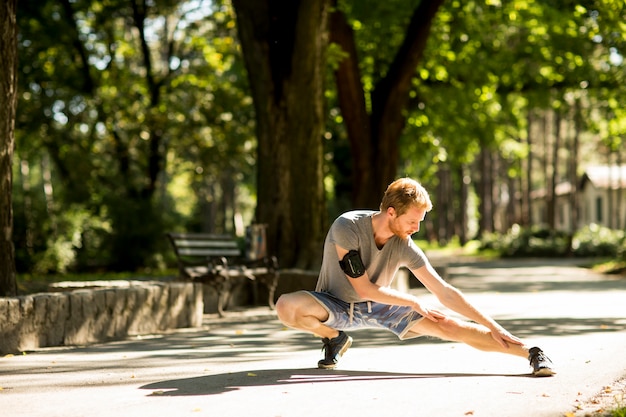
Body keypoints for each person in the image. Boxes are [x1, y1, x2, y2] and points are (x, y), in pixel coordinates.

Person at [275, 177, 555, 377]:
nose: (417, 228)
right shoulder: (347, 227)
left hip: (379, 304)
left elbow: (443, 291)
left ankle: (531, 353)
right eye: (413, 221)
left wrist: (494, 326)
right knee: (286, 307)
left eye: (420, 221)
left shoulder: (404, 244)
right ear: (391, 212)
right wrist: (411, 301)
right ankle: (334, 338)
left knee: (448, 326)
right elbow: (362, 289)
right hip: (333, 302)